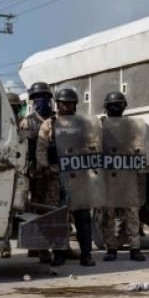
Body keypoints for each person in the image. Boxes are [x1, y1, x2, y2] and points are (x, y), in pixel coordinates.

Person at [36, 88, 96, 267]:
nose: (69, 106)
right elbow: (41, 149)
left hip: (79, 177)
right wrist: (45, 167)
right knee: (58, 218)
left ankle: (86, 254)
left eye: (72, 103)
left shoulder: (83, 124)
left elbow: (93, 147)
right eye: (65, 103)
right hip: (57, 177)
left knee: (83, 217)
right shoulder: (49, 124)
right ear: (58, 105)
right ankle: (59, 253)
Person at [98, 91, 145, 262]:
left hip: (127, 176)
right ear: (107, 108)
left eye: (118, 105)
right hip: (108, 177)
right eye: (112, 105)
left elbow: (139, 146)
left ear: (123, 107)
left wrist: (137, 155)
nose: (115, 108)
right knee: (108, 214)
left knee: (132, 211)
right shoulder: (101, 126)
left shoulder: (132, 125)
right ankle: (111, 248)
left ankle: (135, 247)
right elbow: (95, 148)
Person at [20, 82, 55, 263]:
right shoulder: (27, 121)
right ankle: (36, 247)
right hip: (34, 171)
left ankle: (49, 246)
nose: (41, 101)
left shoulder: (55, 120)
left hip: (53, 171)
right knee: (34, 207)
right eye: (37, 98)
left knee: (53, 208)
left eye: (44, 98)